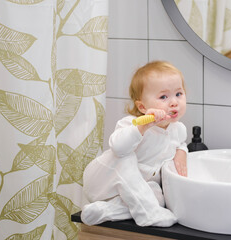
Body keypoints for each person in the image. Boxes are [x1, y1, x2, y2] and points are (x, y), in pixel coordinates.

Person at [81, 61, 188, 227]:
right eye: (163, 97)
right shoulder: (132, 123)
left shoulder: (178, 129)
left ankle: (105, 211)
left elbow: (180, 142)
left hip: (129, 192)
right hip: (102, 181)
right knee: (126, 157)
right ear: (143, 107)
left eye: (179, 94)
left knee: (158, 197)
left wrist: (181, 150)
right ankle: (148, 214)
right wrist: (142, 127)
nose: (174, 102)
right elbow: (118, 148)